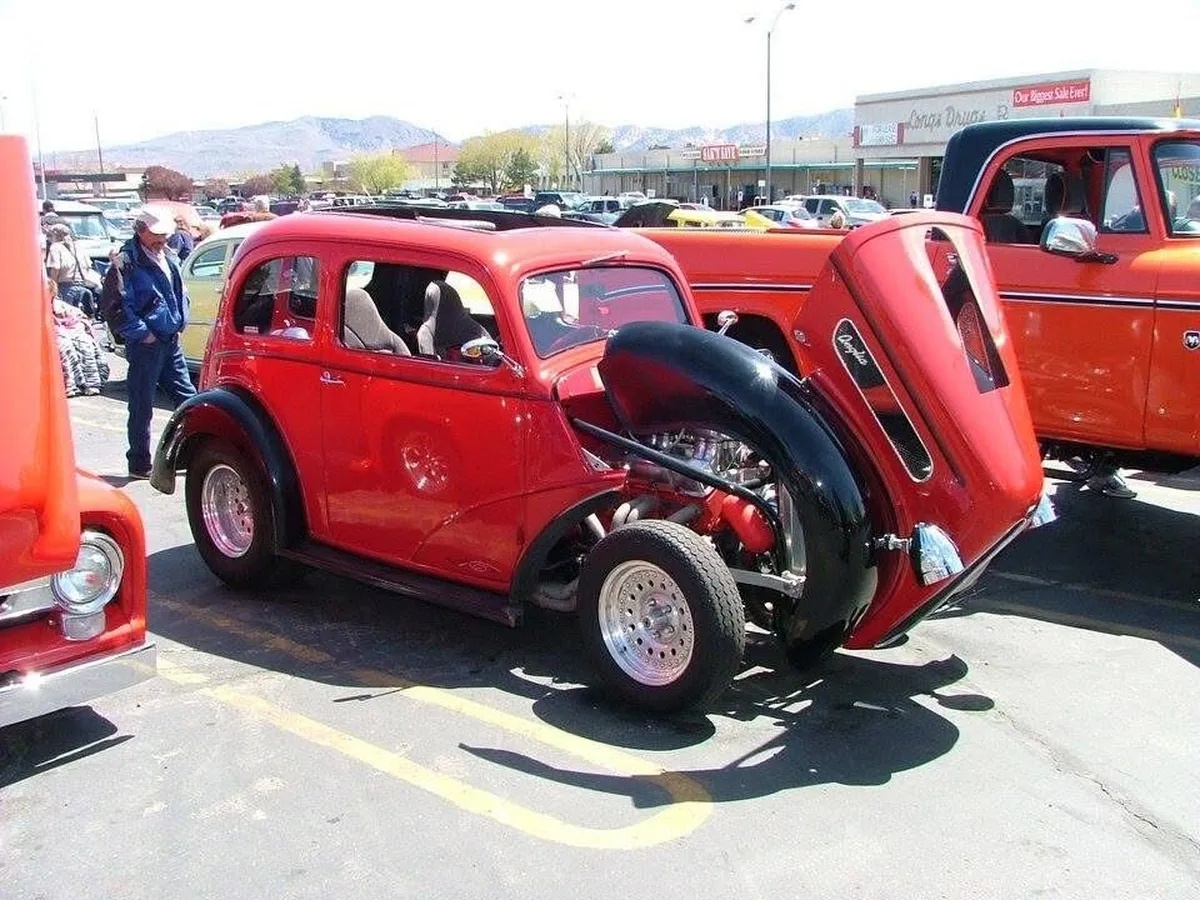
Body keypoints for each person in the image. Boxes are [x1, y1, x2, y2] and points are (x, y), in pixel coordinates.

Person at [111, 207, 196, 478]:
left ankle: (194, 451)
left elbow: (178, 292)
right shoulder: (126, 261)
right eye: (156, 234)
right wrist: (142, 333)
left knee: (188, 399)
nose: (162, 239)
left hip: (169, 339)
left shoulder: (167, 256)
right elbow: (116, 306)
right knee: (141, 404)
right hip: (147, 342)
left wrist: (180, 320)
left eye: (164, 234)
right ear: (141, 231)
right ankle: (139, 462)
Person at [44, 223, 100, 317]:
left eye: (50, 235)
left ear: (56, 235)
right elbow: (88, 266)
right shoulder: (78, 246)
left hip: (65, 289)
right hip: (83, 288)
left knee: (66, 320)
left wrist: (53, 289)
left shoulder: (55, 247)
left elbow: (55, 268)